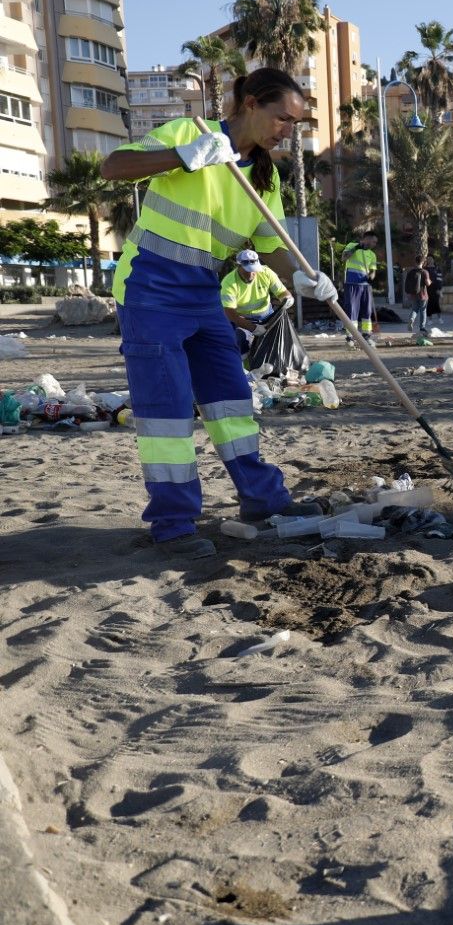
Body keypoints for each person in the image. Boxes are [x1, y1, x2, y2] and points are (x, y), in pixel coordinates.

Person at [102, 67, 331, 559]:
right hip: (149, 289)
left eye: (295, 123)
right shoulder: (193, 134)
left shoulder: (265, 178)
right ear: (250, 102)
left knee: (230, 399)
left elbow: (271, 247)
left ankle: (263, 500)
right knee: (167, 409)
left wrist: (306, 279)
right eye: (281, 117)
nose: (286, 130)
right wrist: (183, 157)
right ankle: (173, 524)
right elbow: (113, 167)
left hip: (203, 295)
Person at [220, 248, 293, 356]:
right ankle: (245, 369)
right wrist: (253, 328)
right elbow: (231, 314)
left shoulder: (266, 273)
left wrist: (287, 298)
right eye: (247, 271)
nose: (251, 275)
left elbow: (282, 292)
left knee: (281, 342)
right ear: (238, 266)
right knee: (238, 342)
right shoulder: (229, 283)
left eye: (253, 270)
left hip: (267, 316)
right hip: (243, 320)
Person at [338, 232, 379, 343]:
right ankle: (350, 336)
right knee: (352, 310)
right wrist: (357, 247)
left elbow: (373, 271)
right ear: (367, 239)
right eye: (373, 241)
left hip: (365, 285)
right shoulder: (351, 245)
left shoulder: (372, 254)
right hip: (351, 284)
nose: (375, 244)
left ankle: (366, 334)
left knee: (367, 311)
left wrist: (371, 277)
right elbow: (344, 257)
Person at [404, 258, 432, 339]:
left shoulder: (410, 272)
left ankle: (412, 319)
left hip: (413, 295)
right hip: (423, 295)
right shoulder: (424, 272)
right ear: (423, 262)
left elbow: (407, 284)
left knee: (414, 309)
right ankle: (422, 328)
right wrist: (430, 281)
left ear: (415, 262)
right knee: (423, 310)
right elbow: (428, 283)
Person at [425, 259, 444, 325]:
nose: (430, 260)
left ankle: (440, 318)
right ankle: (430, 320)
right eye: (429, 259)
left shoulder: (437, 269)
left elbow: (440, 279)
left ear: (433, 260)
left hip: (436, 289)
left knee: (436, 303)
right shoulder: (425, 269)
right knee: (429, 304)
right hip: (428, 289)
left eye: (431, 259)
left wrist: (440, 289)